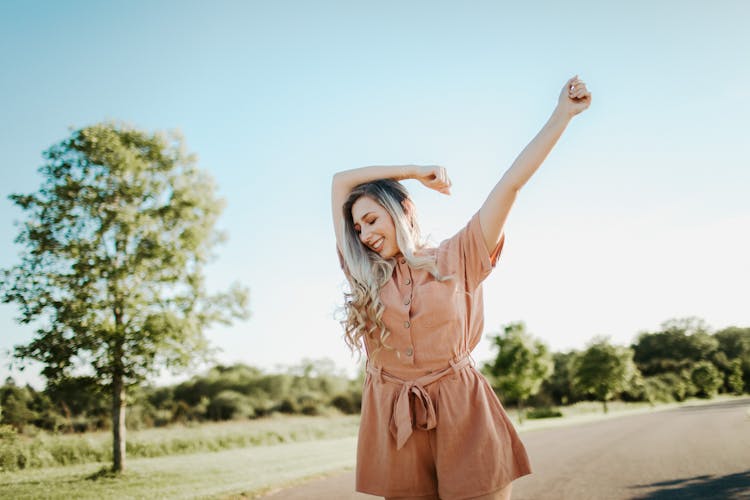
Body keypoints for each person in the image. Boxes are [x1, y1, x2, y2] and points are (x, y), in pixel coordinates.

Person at [331, 76, 592, 500]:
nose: (363, 234)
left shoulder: (460, 255)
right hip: (395, 420)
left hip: (463, 411)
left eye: (372, 220)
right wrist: (413, 171)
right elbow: (340, 182)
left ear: (403, 212)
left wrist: (562, 115)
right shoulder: (364, 273)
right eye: (357, 227)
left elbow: (510, 184)